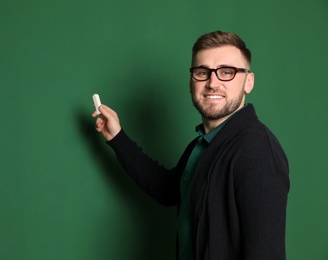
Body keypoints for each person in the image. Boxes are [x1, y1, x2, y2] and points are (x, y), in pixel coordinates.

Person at [92, 31, 290, 260]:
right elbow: (167, 190)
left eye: (227, 72)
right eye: (202, 72)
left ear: (249, 82)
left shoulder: (257, 151)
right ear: (191, 81)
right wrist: (117, 137)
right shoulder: (203, 144)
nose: (212, 83)